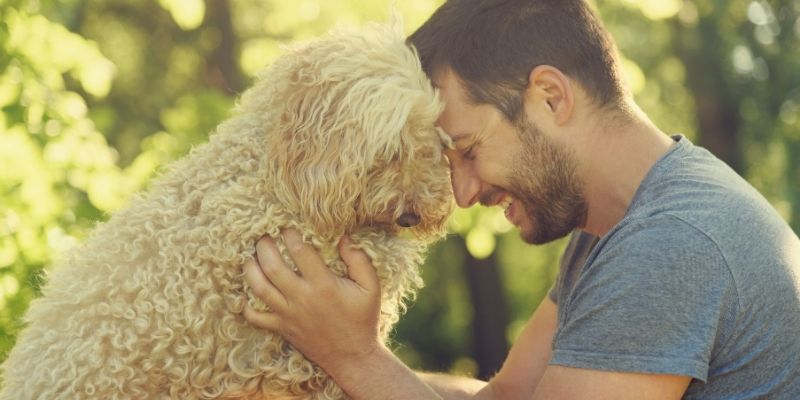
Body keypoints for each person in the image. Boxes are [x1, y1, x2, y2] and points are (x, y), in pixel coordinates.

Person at [241, 0, 800, 398]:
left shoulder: (672, 244)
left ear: (550, 97)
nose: (461, 192)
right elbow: (507, 395)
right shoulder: (615, 230)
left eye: (467, 148)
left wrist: (353, 355)